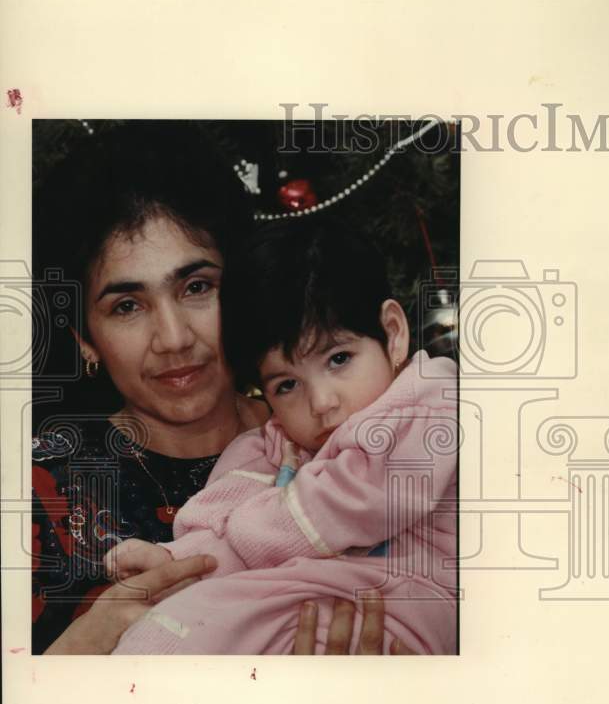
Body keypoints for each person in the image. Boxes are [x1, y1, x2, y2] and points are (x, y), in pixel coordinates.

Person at [33, 122, 398, 656]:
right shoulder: (39, 494)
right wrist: (69, 661)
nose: (175, 338)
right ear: (84, 339)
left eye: (197, 287)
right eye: (127, 306)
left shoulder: (347, 422)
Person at [107, 219, 458, 655]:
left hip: (407, 599)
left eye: (339, 359)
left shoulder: (429, 401)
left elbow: (355, 496)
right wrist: (179, 564)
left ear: (392, 333)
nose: (322, 402)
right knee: (162, 635)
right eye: (286, 385)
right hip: (310, 588)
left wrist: (250, 527)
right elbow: (227, 515)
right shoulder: (277, 445)